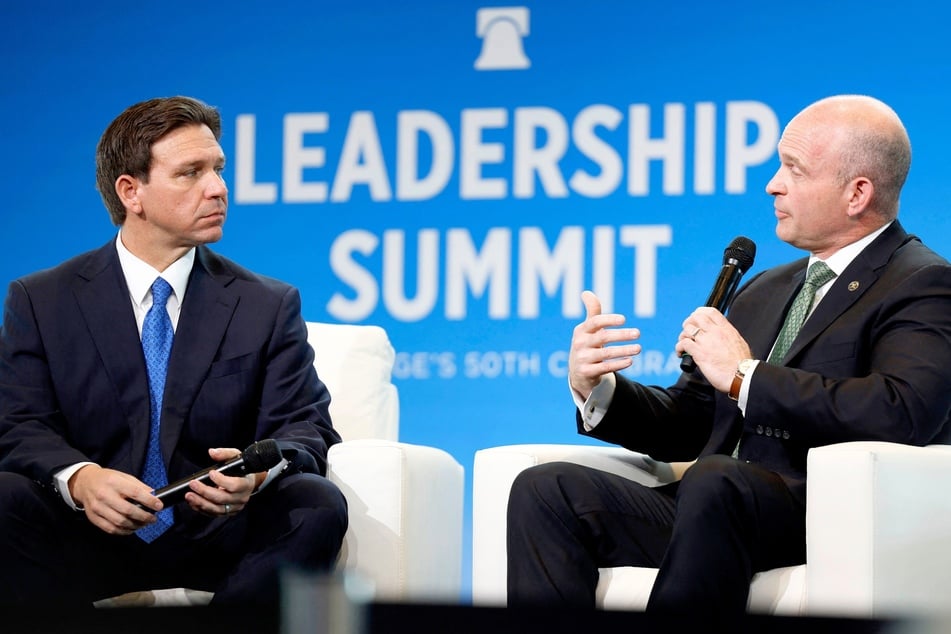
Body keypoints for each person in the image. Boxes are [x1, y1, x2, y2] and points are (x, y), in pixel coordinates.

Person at [505, 95, 951, 626]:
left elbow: (901, 411)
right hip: (710, 505)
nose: (773, 184)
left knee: (716, 479)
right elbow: (690, 422)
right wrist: (599, 389)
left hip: (817, 512)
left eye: (793, 168)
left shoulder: (922, 283)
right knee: (547, 489)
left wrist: (746, 377)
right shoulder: (764, 287)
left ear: (857, 193)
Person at [0, 96, 348, 609]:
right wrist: (82, 480)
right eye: (191, 173)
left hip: (219, 535)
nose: (218, 188)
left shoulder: (266, 304)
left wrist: (256, 475)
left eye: (218, 169)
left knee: (315, 503)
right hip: (86, 531)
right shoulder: (42, 300)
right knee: (5, 497)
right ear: (131, 192)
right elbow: (18, 422)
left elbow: (306, 427)